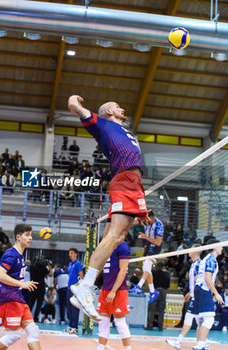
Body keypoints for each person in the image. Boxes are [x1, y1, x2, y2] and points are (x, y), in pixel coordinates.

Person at [68, 95, 149, 321]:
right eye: (117, 106)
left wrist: (141, 208)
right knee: (115, 236)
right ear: (109, 112)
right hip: (125, 180)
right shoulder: (103, 125)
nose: (122, 107)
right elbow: (74, 107)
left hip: (133, 183)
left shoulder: (126, 132)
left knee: (118, 237)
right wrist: (75, 100)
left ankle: (85, 288)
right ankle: (84, 287)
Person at [72, 241, 131, 350]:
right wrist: (87, 282)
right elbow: (98, 266)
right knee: (103, 322)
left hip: (118, 290)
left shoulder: (123, 246)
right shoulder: (108, 244)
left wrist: (113, 291)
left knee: (120, 323)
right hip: (105, 289)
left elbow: (123, 270)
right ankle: (100, 348)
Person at [0, 223, 41, 350]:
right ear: (18, 237)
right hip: (8, 297)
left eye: (31, 235)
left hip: (17, 297)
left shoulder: (20, 255)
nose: (30, 238)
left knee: (33, 330)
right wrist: (22, 284)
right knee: (13, 336)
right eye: (27, 235)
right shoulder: (12, 254)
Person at [166, 245, 211, 349]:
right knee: (199, 322)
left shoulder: (198, 264)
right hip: (195, 296)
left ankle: (178, 341)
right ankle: (204, 343)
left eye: (191, 249)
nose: (189, 250)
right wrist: (190, 292)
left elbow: (197, 280)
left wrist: (192, 293)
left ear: (196, 251)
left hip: (197, 297)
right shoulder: (194, 264)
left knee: (190, 318)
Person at [193, 240, 224, 350]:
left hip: (199, 288)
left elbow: (197, 277)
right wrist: (217, 294)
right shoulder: (211, 260)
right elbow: (207, 278)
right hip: (204, 290)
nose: (222, 248)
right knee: (209, 319)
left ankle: (202, 343)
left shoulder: (206, 258)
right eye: (220, 245)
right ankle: (200, 345)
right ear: (215, 247)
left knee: (201, 319)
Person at [129, 210, 163, 304]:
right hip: (147, 245)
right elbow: (134, 222)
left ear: (151, 218)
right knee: (146, 268)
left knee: (147, 265)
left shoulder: (158, 225)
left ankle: (139, 286)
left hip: (155, 246)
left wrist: (146, 237)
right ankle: (153, 291)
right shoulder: (145, 220)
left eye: (147, 220)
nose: (145, 222)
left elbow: (158, 242)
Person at [63, 248, 83, 335]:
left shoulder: (78, 264)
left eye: (71, 253)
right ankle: (71, 326)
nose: (70, 255)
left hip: (75, 290)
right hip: (69, 288)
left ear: (76, 254)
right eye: (69, 253)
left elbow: (81, 277)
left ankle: (75, 327)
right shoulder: (70, 264)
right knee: (69, 308)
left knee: (75, 308)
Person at [146, 262, 170, 331]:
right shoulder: (166, 274)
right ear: (163, 267)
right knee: (161, 310)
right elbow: (167, 285)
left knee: (152, 309)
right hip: (163, 292)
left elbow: (149, 282)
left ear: (156, 267)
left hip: (154, 291)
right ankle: (160, 326)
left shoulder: (153, 273)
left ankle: (150, 325)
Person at [29, 256, 52, 323]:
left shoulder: (32, 267)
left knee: (31, 303)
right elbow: (50, 274)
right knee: (39, 304)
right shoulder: (43, 268)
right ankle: (35, 318)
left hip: (32, 286)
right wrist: (49, 265)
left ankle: (26, 318)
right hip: (41, 288)